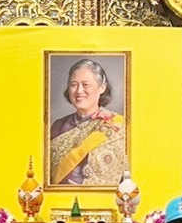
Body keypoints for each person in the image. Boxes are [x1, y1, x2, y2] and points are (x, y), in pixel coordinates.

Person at [49, 58, 127, 186]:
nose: (79, 91)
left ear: (102, 88)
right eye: (73, 85)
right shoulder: (57, 126)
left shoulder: (118, 125)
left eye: (85, 85)